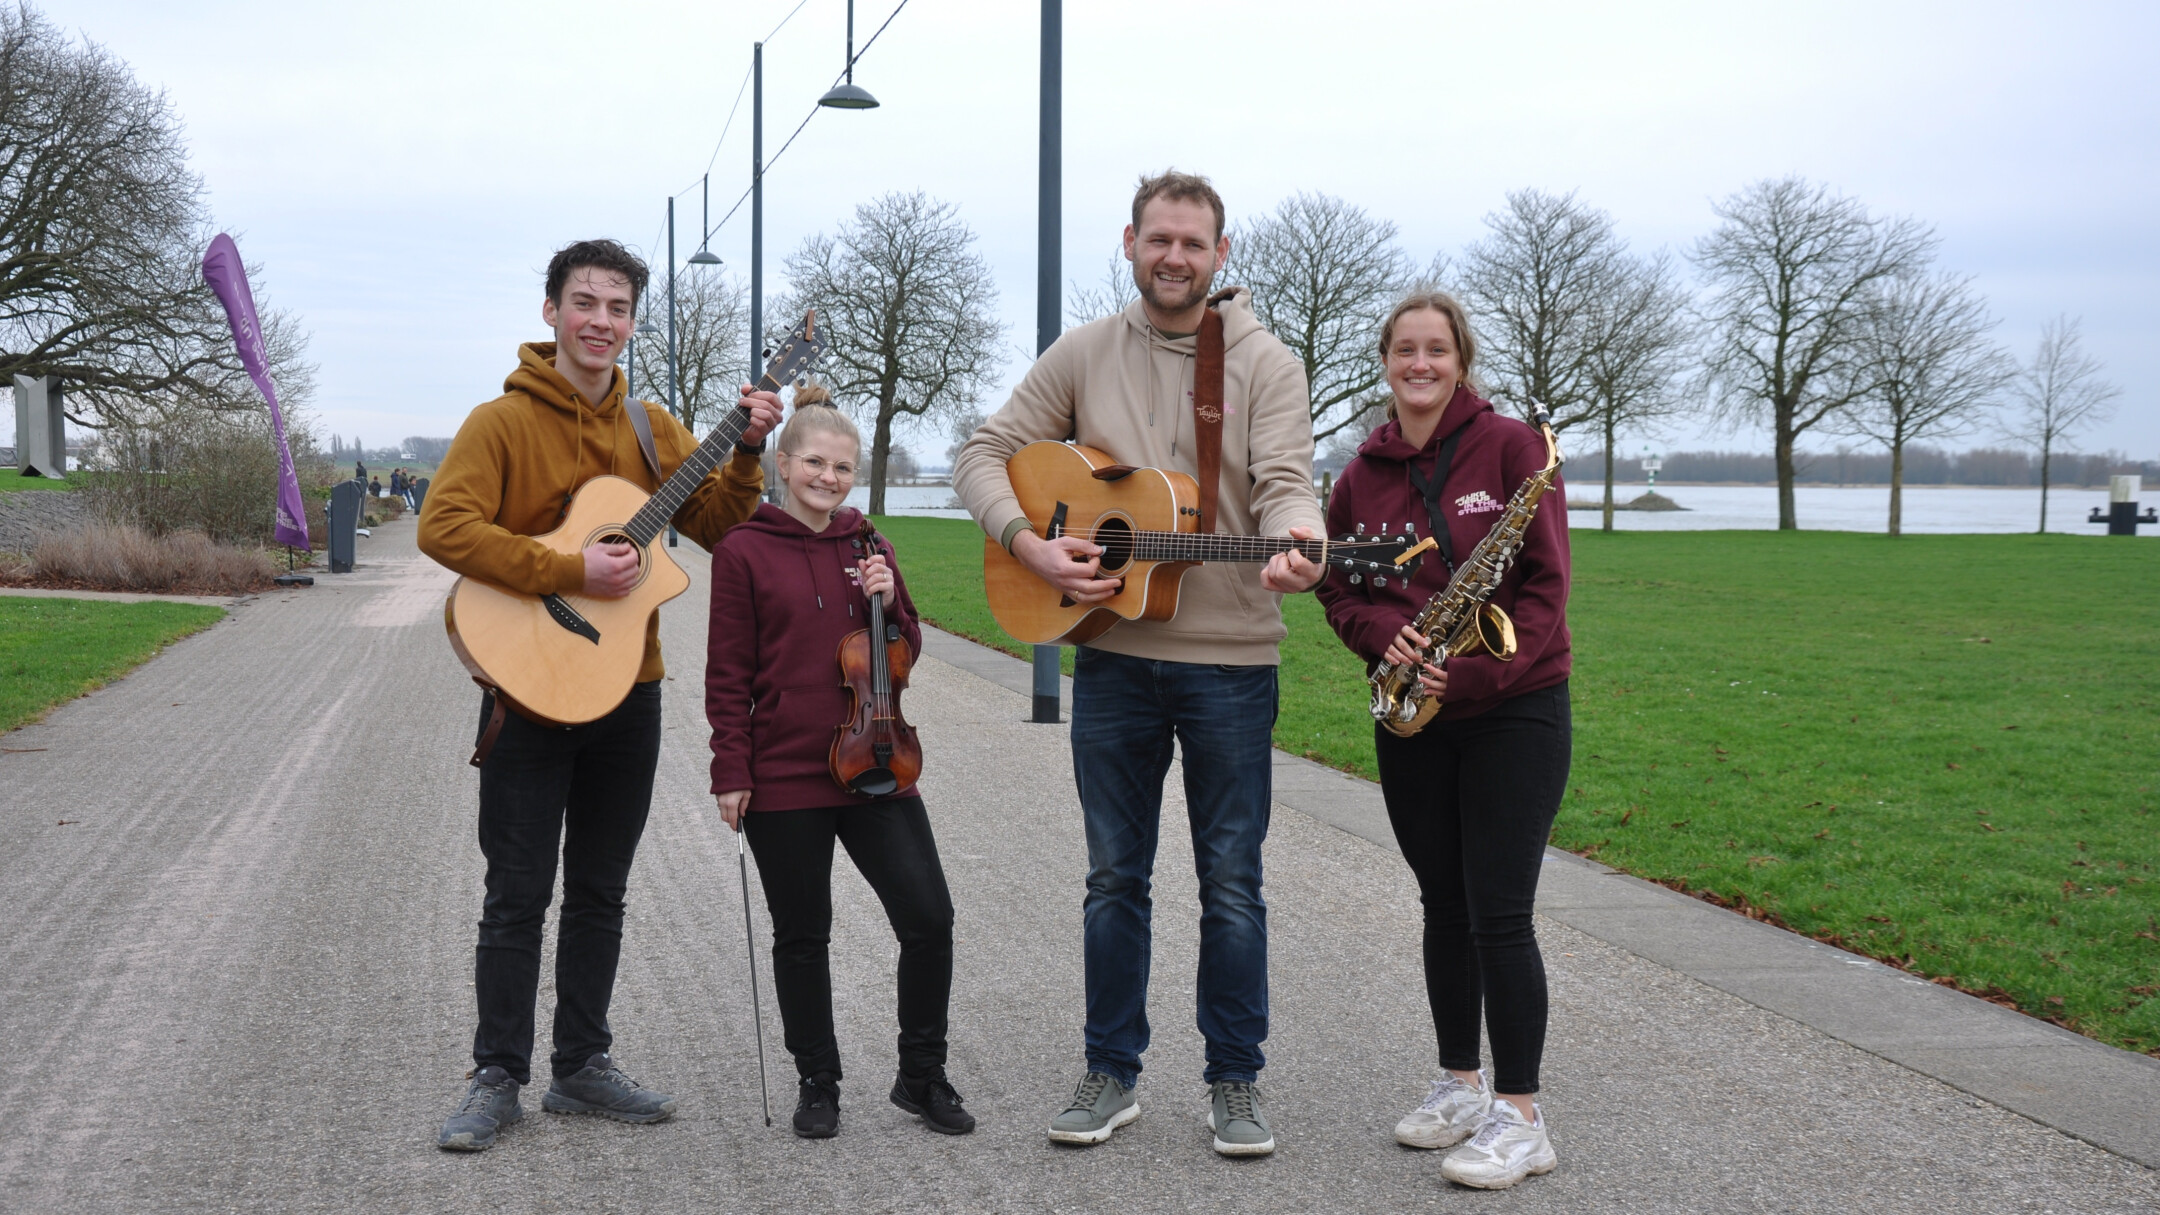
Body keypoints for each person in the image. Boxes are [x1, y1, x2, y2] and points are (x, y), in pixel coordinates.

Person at [952, 170, 1325, 1158]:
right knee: (1114, 877)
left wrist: (1301, 538)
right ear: (1130, 243)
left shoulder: (1265, 364)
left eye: (1193, 244)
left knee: (1232, 882)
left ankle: (1234, 1080)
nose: (1174, 257)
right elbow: (984, 453)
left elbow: (1288, 483)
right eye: (1159, 239)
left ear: (1221, 254)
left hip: (1232, 663)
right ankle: (1109, 1071)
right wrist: (1029, 546)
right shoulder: (1084, 352)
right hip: (1113, 657)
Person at [416, 238, 782, 1153]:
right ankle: (496, 1075)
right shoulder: (501, 422)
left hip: (630, 691)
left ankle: (581, 1063)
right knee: (516, 892)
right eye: (585, 302)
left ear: (631, 324)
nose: (601, 321)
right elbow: (443, 525)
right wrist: (568, 567)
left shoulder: (654, 430)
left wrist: (746, 452)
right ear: (552, 312)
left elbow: (723, 528)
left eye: (618, 308)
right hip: (527, 689)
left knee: (600, 890)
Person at [1314, 292, 1572, 1191]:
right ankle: (1461, 1084)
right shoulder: (1358, 473)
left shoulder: (1512, 448)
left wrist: (1467, 677)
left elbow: (1544, 589)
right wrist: (1379, 636)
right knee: (1442, 905)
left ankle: (1523, 1117)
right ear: (1385, 360)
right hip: (1410, 715)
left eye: (1436, 349)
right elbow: (1336, 585)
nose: (1419, 364)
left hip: (1513, 708)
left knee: (1500, 911)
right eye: (1404, 349)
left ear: (1460, 359)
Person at [705, 386, 973, 1140]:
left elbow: (905, 651)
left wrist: (893, 604)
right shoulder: (743, 550)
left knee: (929, 918)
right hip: (784, 769)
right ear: (783, 463)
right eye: (815, 463)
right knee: (803, 934)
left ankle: (921, 1074)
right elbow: (726, 673)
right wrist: (731, 769)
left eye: (843, 468)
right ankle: (817, 1080)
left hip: (877, 757)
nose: (829, 478)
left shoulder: (870, 546)